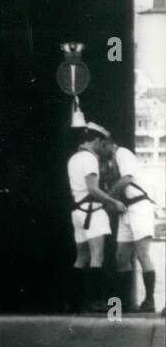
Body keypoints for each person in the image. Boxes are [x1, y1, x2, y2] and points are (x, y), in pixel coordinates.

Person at [67, 124, 124, 309]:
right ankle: (96, 301)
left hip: (78, 211)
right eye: (103, 143)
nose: (103, 147)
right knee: (97, 256)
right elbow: (92, 188)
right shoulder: (90, 159)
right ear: (97, 140)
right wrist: (113, 201)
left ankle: (74, 302)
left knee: (81, 257)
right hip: (92, 211)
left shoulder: (74, 159)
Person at [101, 135, 157, 312]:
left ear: (107, 144)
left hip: (140, 206)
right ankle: (124, 302)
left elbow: (126, 179)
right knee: (121, 257)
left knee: (142, 254)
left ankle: (149, 301)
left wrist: (108, 198)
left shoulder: (123, 154)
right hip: (125, 210)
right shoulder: (110, 161)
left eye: (102, 149)